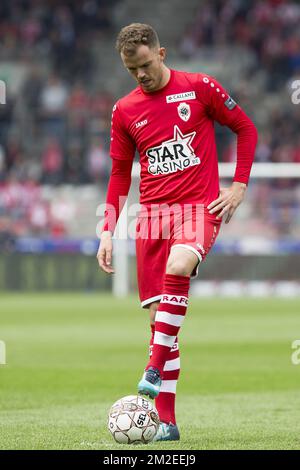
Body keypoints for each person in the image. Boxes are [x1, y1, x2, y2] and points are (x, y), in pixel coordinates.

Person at [97, 23, 257, 441]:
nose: (141, 76)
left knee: (181, 262)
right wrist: (107, 231)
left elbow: (246, 129)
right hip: (151, 218)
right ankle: (167, 423)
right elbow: (119, 174)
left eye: (146, 66)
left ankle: (152, 366)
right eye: (132, 71)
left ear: (161, 53)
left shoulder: (199, 88)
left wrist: (238, 185)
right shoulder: (124, 109)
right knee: (159, 322)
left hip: (198, 208)